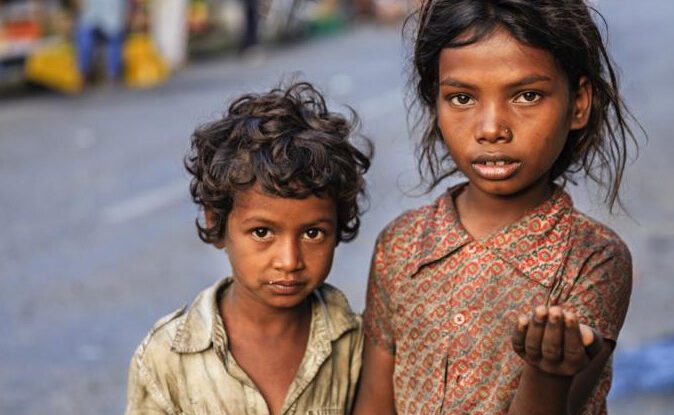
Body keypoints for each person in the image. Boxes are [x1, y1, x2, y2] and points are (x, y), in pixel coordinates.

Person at [354, 0, 639, 414]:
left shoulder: (591, 258)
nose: (491, 129)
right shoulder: (401, 246)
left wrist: (547, 373)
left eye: (526, 95)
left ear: (578, 103)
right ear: (435, 100)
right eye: (462, 98)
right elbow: (374, 404)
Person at [125, 82, 371, 414]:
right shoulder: (167, 356)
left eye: (313, 233)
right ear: (217, 224)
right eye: (261, 232)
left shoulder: (358, 346)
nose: (289, 260)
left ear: (338, 228)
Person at [74, 0, 128, 82]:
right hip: (91, 21)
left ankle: (113, 75)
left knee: (115, 37)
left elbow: (124, 9)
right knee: (83, 36)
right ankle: (83, 74)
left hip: (112, 22)